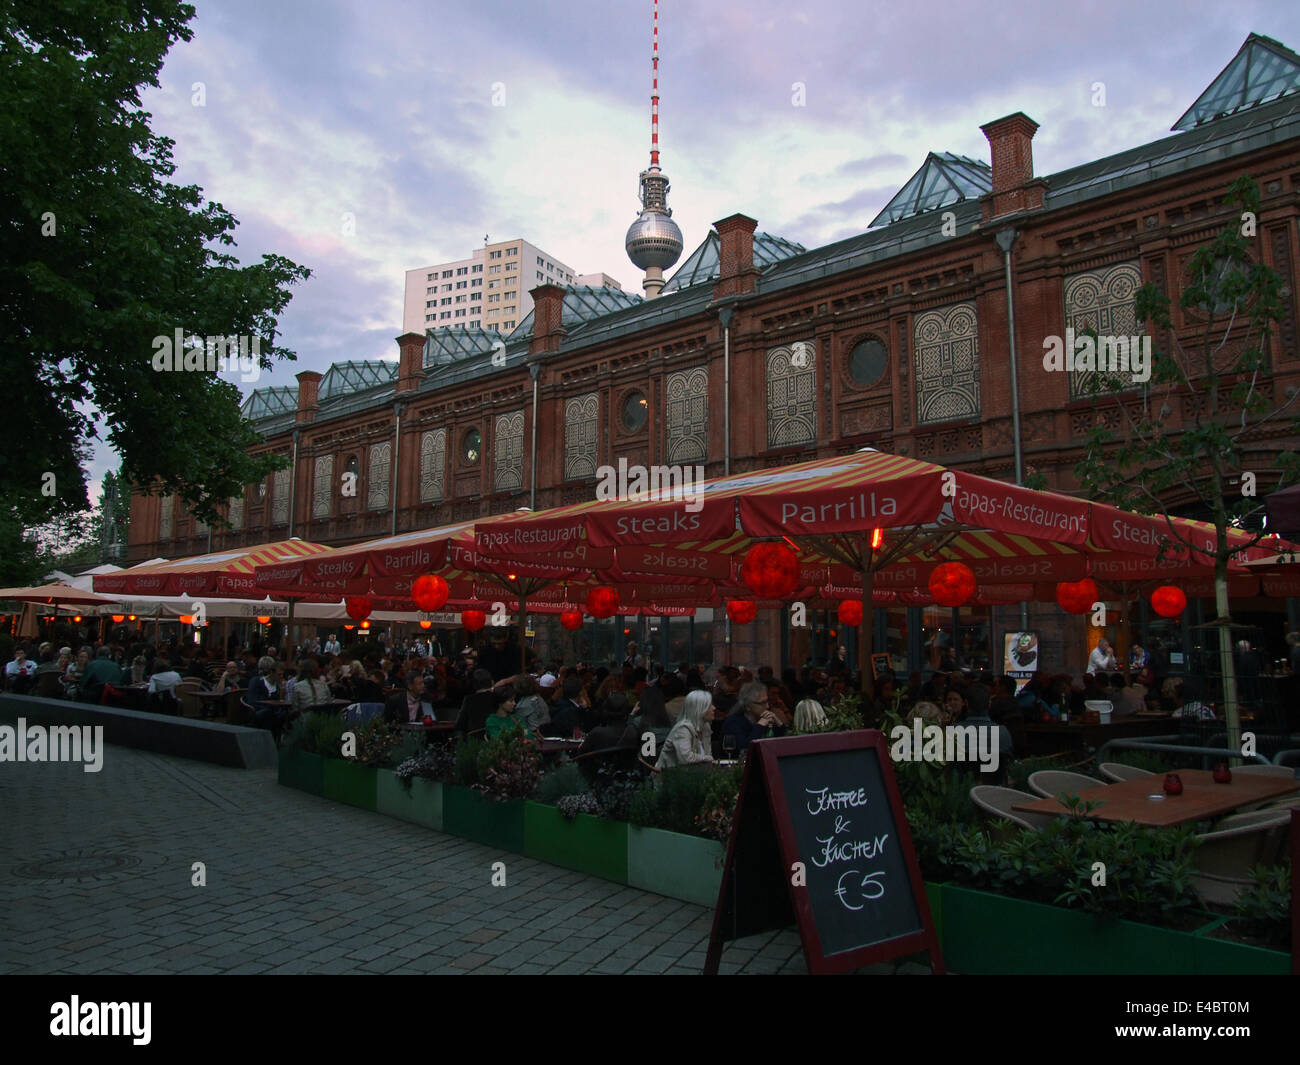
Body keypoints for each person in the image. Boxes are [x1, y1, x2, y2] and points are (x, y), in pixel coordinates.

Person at [655, 690, 715, 769]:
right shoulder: (683, 729)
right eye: (710, 705)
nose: (714, 708)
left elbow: (708, 757)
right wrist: (707, 758)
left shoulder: (705, 727)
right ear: (700, 709)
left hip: (694, 774)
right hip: (668, 777)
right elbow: (686, 759)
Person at [723, 681, 788, 752]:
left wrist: (779, 724)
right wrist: (760, 725)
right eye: (762, 703)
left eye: (767, 701)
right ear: (748, 706)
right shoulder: (733, 723)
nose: (767, 706)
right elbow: (744, 749)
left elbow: (783, 744)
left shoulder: (763, 718)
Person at [622, 684, 672, 753]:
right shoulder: (670, 721)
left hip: (644, 761)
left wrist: (632, 714)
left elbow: (626, 741)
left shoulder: (637, 722)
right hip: (661, 761)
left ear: (642, 702)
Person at [455, 669, 501, 735]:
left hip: (475, 740)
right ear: (492, 682)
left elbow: (460, 725)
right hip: (496, 737)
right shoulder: (499, 697)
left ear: (473, 684)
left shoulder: (469, 700)